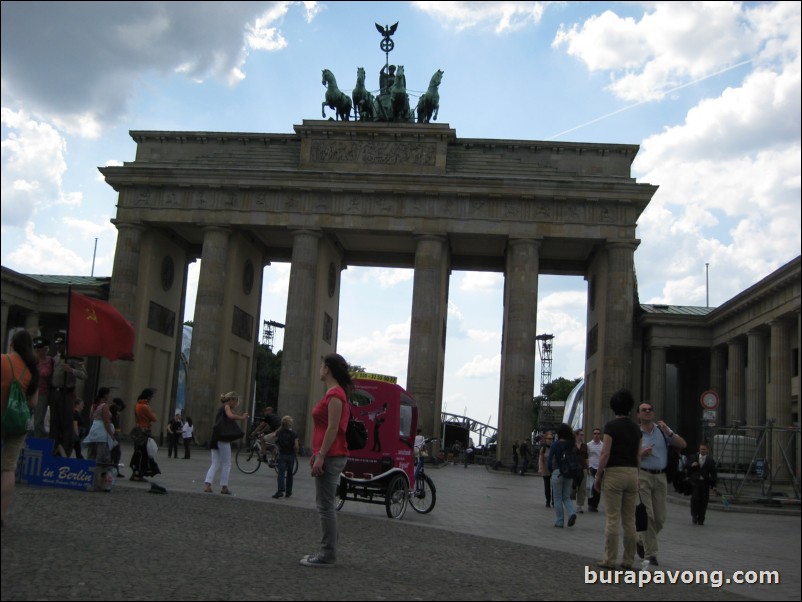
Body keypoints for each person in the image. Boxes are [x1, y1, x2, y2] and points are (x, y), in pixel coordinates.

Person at [300, 353, 351, 568]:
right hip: (328, 454)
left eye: (321, 365)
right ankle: (329, 549)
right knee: (326, 505)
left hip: (331, 456)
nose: (319, 369)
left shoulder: (335, 395)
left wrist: (321, 455)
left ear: (327, 368)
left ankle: (327, 553)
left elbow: (332, 428)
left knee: (325, 506)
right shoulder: (334, 393)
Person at [593, 389, 641, 570]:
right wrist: (637, 475)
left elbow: (605, 453)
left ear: (614, 407)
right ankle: (628, 560)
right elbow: (638, 455)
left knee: (612, 518)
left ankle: (609, 559)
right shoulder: (636, 428)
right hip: (631, 473)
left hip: (615, 472)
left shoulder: (611, 426)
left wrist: (598, 475)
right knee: (629, 519)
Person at [636, 401, 687, 567]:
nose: (648, 412)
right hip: (642, 475)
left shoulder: (662, 430)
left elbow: (682, 444)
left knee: (660, 518)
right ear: (638, 414)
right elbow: (629, 455)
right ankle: (651, 554)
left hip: (661, 477)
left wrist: (669, 432)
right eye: (644, 410)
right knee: (648, 515)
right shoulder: (636, 433)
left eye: (650, 409)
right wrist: (641, 454)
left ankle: (640, 539)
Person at [1, 329, 40, 526]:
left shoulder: (2, 360)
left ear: (13, 344)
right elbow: (33, 403)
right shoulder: (32, 370)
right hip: (17, 423)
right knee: (8, 468)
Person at [204, 391, 248, 495]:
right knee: (227, 463)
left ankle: (207, 485)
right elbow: (230, 416)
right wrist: (242, 418)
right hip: (223, 438)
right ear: (231, 400)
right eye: (235, 401)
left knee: (215, 463)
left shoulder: (222, 408)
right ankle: (224, 487)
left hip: (215, 437)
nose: (235, 404)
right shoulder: (226, 407)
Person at [50, 334, 87, 456]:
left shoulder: (73, 358)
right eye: (57, 344)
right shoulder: (56, 358)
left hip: (66, 393)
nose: (59, 347)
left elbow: (83, 375)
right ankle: (54, 446)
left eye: (61, 344)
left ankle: (66, 449)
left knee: (66, 422)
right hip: (55, 392)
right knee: (54, 422)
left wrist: (71, 370)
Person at [82, 387, 116, 492]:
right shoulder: (104, 406)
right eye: (109, 394)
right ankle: (104, 484)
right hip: (102, 435)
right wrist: (111, 435)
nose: (110, 396)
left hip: (93, 434)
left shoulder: (94, 406)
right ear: (105, 395)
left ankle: (90, 481)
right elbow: (106, 422)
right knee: (103, 461)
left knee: (91, 459)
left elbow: (91, 418)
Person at [548, 423, 578, 528]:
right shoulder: (571, 444)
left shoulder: (555, 445)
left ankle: (560, 521)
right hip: (569, 473)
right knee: (566, 497)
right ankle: (572, 512)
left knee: (557, 498)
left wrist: (551, 470)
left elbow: (549, 460)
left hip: (557, 472)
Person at [129, 388, 160, 481]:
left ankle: (136, 472)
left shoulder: (137, 405)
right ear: (148, 397)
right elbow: (154, 418)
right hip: (144, 431)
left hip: (138, 430)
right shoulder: (144, 406)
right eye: (151, 397)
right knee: (144, 453)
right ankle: (138, 473)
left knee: (138, 452)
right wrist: (153, 414)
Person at [687, 442, 717, 526]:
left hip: (705, 483)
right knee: (695, 499)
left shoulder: (710, 460)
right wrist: (692, 464)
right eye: (701, 449)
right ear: (699, 449)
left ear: (707, 450)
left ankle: (701, 519)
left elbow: (714, 474)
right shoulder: (694, 457)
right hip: (695, 482)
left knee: (704, 501)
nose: (702, 451)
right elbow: (687, 464)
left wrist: (714, 486)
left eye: (704, 449)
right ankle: (694, 515)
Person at [272, 415, 299, 499]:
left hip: (282, 455)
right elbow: (296, 446)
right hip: (291, 455)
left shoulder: (279, 433)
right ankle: (288, 492)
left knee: (281, 473)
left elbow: (274, 438)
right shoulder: (294, 434)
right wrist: (296, 452)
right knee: (290, 474)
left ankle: (280, 491)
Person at [32, 336, 53, 438]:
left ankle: (38, 440)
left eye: (39, 347)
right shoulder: (32, 359)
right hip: (31, 391)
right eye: (35, 347)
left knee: (38, 420)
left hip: (42, 393)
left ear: (45, 349)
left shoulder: (49, 361)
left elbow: (46, 373)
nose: (36, 349)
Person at [586, 427, 603, 512]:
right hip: (591, 467)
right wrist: (587, 467)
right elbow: (587, 456)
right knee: (591, 487)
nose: (596, 435)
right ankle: (590, 504)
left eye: (598, 433)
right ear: (593, 435)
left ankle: (595, 505)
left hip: (599, 468)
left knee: (598, 487)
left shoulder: (603, 445)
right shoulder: (588, 445)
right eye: (595, 433)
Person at [109, 397, 126, 477]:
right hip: (114, 434)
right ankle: (114, 469)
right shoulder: (113, 409)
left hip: (115, 433)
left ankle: (114, 469)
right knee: (116, 452)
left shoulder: (114, 412)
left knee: (115, 452)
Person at [574, 428, 589, 513]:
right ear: (576, 435)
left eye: (583, 435)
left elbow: (586, 457)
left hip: (583, 468)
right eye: (581, 435)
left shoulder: (585, 446)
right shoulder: (572, 445)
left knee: (582, 487)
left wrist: (588, 467)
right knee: (572, 487)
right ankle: (569, 501)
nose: (582, 436)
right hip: (574, 468)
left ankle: (579, 505)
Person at [538, 432, 553, 507]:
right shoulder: (543, 448)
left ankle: (554, 501)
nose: (550, 440)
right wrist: (540, 469)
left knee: (554, 486)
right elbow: (540, 459)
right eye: (549, 439)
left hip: (553, 470)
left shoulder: (554, 447)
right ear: (546, 439)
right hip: (545, 469)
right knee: (547, 486)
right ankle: (548, 500)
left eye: (552, 439)